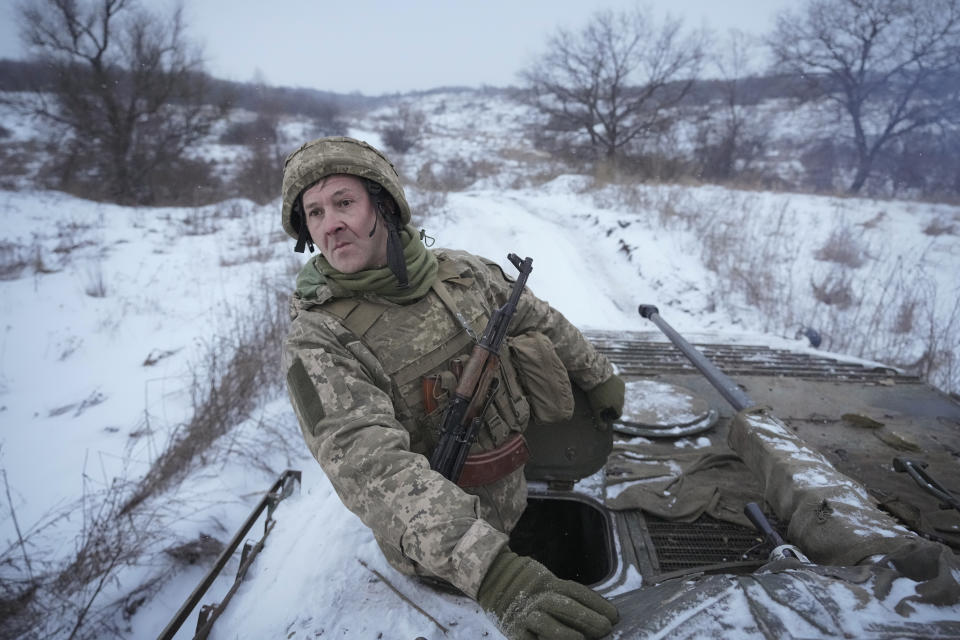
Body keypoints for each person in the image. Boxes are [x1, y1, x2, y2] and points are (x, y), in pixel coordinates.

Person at [280, 136, 624, 640]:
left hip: (515, 499)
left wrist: (599, 375)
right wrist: (494, 574)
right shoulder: (320, 340)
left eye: (344, 202)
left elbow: (538, 318)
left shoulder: (463, 275)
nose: (330, 224)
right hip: (441, 563)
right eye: (314, 213)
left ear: (385, 205)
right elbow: (370, 466)